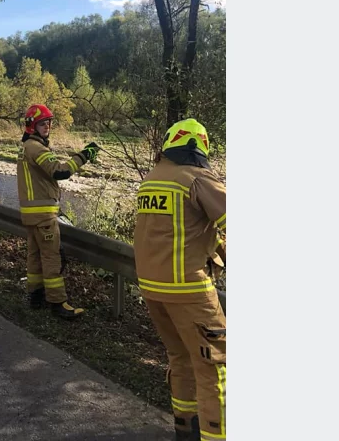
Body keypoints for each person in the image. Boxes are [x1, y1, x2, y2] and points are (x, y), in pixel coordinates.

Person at [134, 118, 226, 441]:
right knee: (216, 365)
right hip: (189, 291)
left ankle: (185, 430)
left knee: (182, 359)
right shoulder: (196, 178)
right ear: (197, 147)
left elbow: (190, 233)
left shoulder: (152, 180)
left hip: (153, 290)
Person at [16, 104, 99, 320]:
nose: (47, 127)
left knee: (34, 257)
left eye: (49, 123)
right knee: (52, 258)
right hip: (43, 215)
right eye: (43, 123)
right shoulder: (37, 148)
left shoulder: (25, 147)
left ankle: (35, 296)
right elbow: (60, 171)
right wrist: (84, 155)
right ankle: (57, 303)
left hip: (30, 214)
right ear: (32, 126)